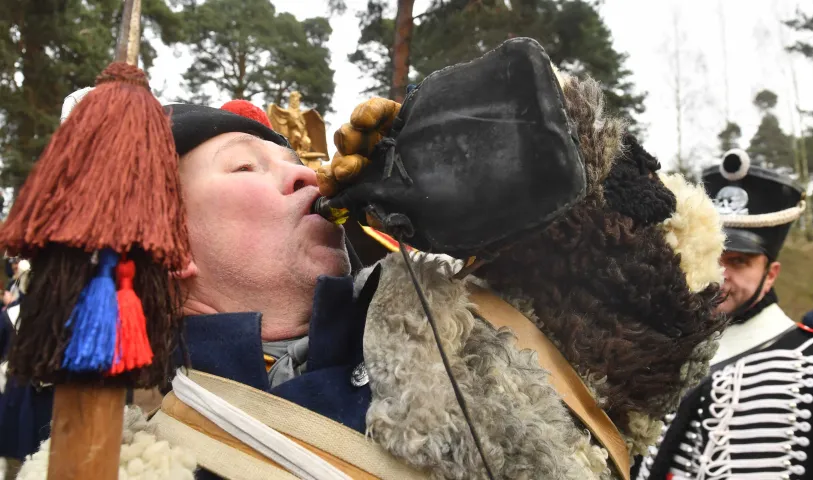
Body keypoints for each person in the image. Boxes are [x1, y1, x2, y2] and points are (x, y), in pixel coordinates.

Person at [18, 38, 726, 479]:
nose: (307, 175)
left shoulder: (467, 327)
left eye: (294, 160)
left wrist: (476, 158)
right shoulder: (117, 456)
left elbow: (666, 289)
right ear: (169, 252)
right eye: (245, 170)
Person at [638, 149, 813, 480]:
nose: (720, 274)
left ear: (771, 274)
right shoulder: (665, 354)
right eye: (716, 255)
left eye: (740, 261)